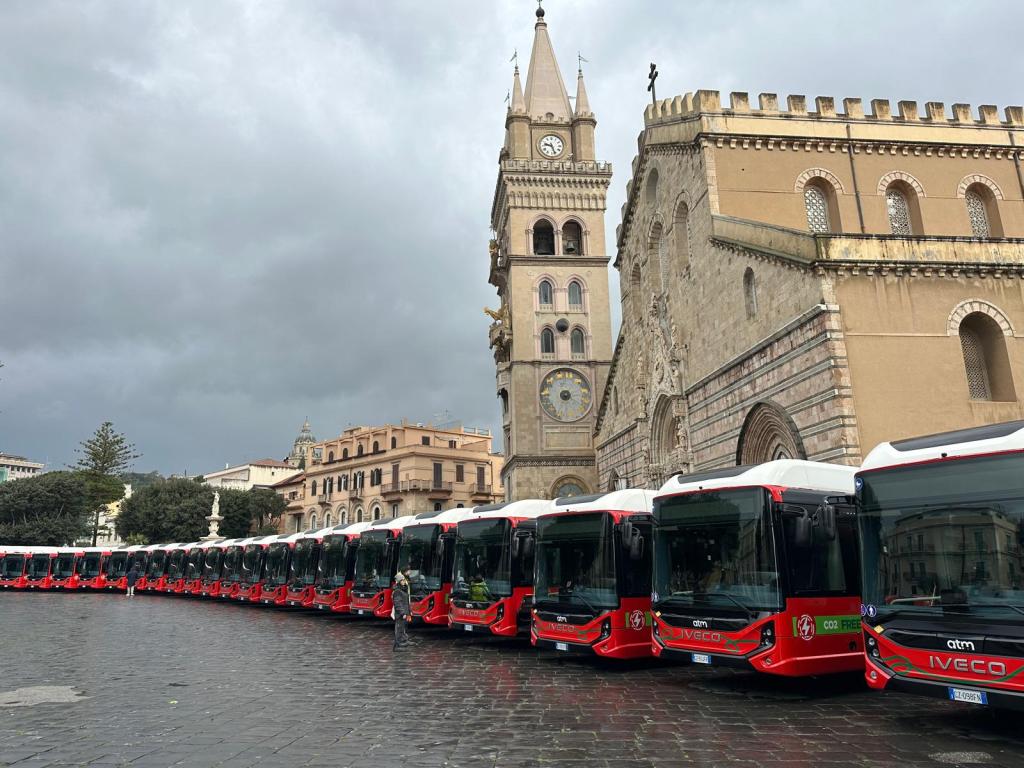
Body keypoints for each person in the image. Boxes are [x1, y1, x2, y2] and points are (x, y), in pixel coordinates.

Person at [392, 568, 413, 651]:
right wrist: (403, 613)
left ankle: (401, 642)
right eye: (403, 580)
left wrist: (408, 612)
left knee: (402, 628)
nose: (404, 581)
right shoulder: (397, 591)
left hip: (405, 613)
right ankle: (397, 646)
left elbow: (406, 602)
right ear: (399, 581)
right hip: (401, 614)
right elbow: (398, 604)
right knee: (398, 629)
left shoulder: (402, 589)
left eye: (404, 580)